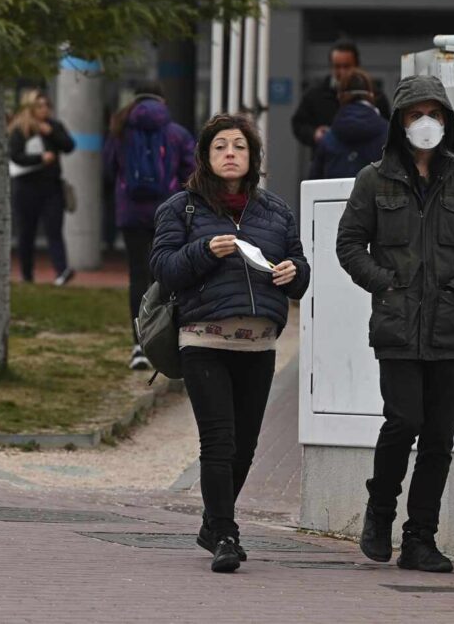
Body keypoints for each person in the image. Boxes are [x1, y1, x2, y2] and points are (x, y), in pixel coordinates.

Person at [336, 75, 454, 573]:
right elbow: (349, 243)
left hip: (447, 328)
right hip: (396, 325)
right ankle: (380, 511)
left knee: (439, 434)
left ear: (447, 121)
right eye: (415, 114)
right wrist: (385, 284)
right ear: (400, 122)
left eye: (434, 113)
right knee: (403, 420)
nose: (425, 122)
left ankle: (420, 539)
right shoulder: (374, 179)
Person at [150, 114, 310, 573]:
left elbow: (299, 269)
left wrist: (293, 273)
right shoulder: (181, 208)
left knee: (244, 446)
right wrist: (204, 251)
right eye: (220, 146)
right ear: (205, 156)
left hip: (257, 344)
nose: (230, 154)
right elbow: (163, 269)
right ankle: (224, 532)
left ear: (252, 157)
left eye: (238, 146)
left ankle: (212, 523)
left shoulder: (275, 211)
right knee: (218, 442)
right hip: (202, 340)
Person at [104, 82, 196, 370]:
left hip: (131, 214)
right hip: (167, 214)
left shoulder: (120, 129)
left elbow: (108, 169)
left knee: (137, 276)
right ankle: (164, 340)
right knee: (166, 276)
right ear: (162, 100)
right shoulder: (176, 133)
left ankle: (138, 346)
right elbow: (191, 173)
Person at [8, 89, 76, 286]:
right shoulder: (20, 129)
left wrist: (52, 133)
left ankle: (62, 271)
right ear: (30, 108)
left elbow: (69, 146)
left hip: (51, 187)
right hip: (27, 187)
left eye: (47, 105)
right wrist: (39, 158)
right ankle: (27, 274)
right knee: (26, 232)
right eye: (40, 106)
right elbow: (15, 155)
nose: (45, 109)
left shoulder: (53, 127)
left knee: (54, 229)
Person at [291, 39, 390, 151]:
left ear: (357, 66)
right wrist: (314, 134)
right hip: (327, 163)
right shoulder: (315, 94)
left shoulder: (375, 96)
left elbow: (387, 131)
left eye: (347, 66)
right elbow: (299, 124)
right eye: (337, 67)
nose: (342, 72)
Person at [308, 69, 388, 180]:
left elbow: (313, 184)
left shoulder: (327, 139)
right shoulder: (389, 135)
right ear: (371, 95)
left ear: (340, 97)